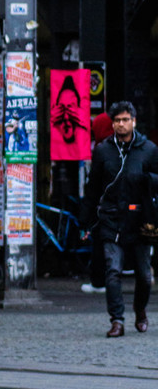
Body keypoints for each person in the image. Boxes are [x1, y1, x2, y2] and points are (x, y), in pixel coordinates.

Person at [79, 101, 156, 337]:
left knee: (144, 275)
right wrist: (85, 222)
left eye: (125, 120)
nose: (121, 125)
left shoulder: (149, 149)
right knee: (112, 270)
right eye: (117, 121)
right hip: (111, 219)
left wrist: (148, 179)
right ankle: (117, 320)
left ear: (134, 121)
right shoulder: (103, 150)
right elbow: (93, 188)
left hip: (140, 220)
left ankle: (140, 310)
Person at [81, 112, 114, 294]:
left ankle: (99, 281)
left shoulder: (102, 150)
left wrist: (86, 214)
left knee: (101, 243)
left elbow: (94, 185)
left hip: (106, 205)